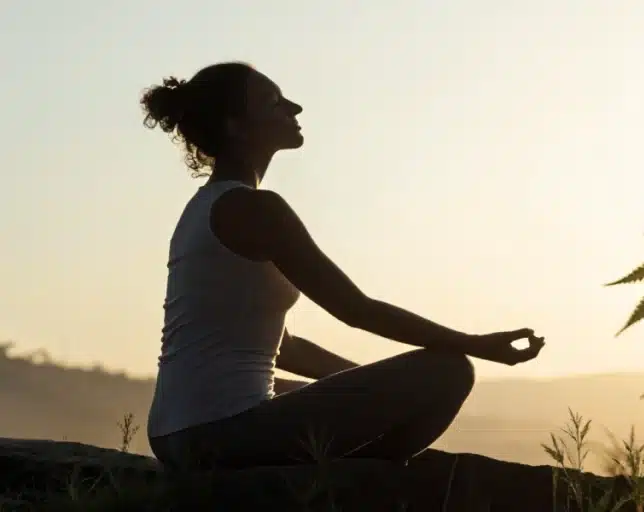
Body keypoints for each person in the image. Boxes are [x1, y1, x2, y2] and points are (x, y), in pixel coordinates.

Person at [140, 61, 545, 471]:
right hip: (220, 434)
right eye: (274, 102)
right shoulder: (254, 208)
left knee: (352, 385)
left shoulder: (205, 206)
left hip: (176, 433)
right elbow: (356, 309)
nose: (294, 108)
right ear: (235, 126)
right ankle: (363, 475)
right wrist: (477, 344)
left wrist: (371, 383)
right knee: (449, 371)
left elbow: (283, 346)